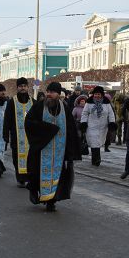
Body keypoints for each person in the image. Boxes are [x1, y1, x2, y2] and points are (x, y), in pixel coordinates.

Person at [25, 82, 81, 212]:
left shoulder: (65, 108)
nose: (49, 94)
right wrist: (48, 129)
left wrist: (71, 152)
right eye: (48, 91)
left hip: (59, 153)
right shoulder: (39, 106)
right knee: (37, 174)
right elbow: (29, 123)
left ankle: (51, 201)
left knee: (59, 177)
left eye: (52, 92)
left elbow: (71, 130)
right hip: (41, 149)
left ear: (58, 94)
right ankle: (35, 192)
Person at [3, 77, 35, 187]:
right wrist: (6, 134)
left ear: (27, 87)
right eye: (20, 86)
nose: (23, 88)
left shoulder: (33, 102)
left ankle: (29, 178)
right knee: (17, 158)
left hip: (31, 137)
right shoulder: (12, 102)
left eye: (24, 86)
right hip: (16, 137)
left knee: (31, 158)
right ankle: (20, 179)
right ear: (17, 88)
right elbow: (7, 119)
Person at [80, 86, 115, 166]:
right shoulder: (89, 103)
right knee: (94, 142)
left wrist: (112, 122)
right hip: (91, 126)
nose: (97, 96)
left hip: (103, 127)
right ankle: (96, 159)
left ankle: (95, 158)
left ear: (102, 94)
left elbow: (111, 113)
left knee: (99, 142)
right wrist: (83, 123)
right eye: (95, 94)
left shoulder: (106, 103)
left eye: (98, 94)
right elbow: (85, 113)